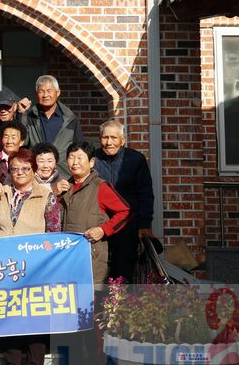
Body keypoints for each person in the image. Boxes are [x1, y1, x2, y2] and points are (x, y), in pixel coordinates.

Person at [0, 148, 62, 365]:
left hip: (36, 266)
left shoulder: (46, 196)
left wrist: (48, 264)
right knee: (9, 315)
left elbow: (54, 233)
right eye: (14, 168)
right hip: (5, 266)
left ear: (34, 170)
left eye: (25, 168)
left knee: (35, 316)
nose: (19, 172)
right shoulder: (2, 193)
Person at [61, 141, 130, 288]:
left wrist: (103, 230)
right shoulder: (64, 187)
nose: (75, 162)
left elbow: (125, 211)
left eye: (80, 158)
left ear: (91, 162)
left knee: (92, 299)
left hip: (91, 259)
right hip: (66, 259)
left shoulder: (100, 187)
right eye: (71, 157)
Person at [93, 120, 154, 282]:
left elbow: (145, 194)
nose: (109, 142)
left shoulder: (136, 160)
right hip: (99, 225)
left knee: (123, 274)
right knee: (98, 273)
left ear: (123, 140)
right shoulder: (93, 159)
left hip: (127, 225)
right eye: (105, 137)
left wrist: (144, 224)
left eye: (114, 138)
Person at [20, 75, 85, 176]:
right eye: (41, 91)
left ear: (58, 92)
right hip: (36, 174)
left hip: (64, 175)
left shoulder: (70, 118)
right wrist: (20, 114)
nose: (45, 95)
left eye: (49, 91)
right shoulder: (29, 117)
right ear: (36, 94)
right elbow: (21, 143)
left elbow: (79, 148)